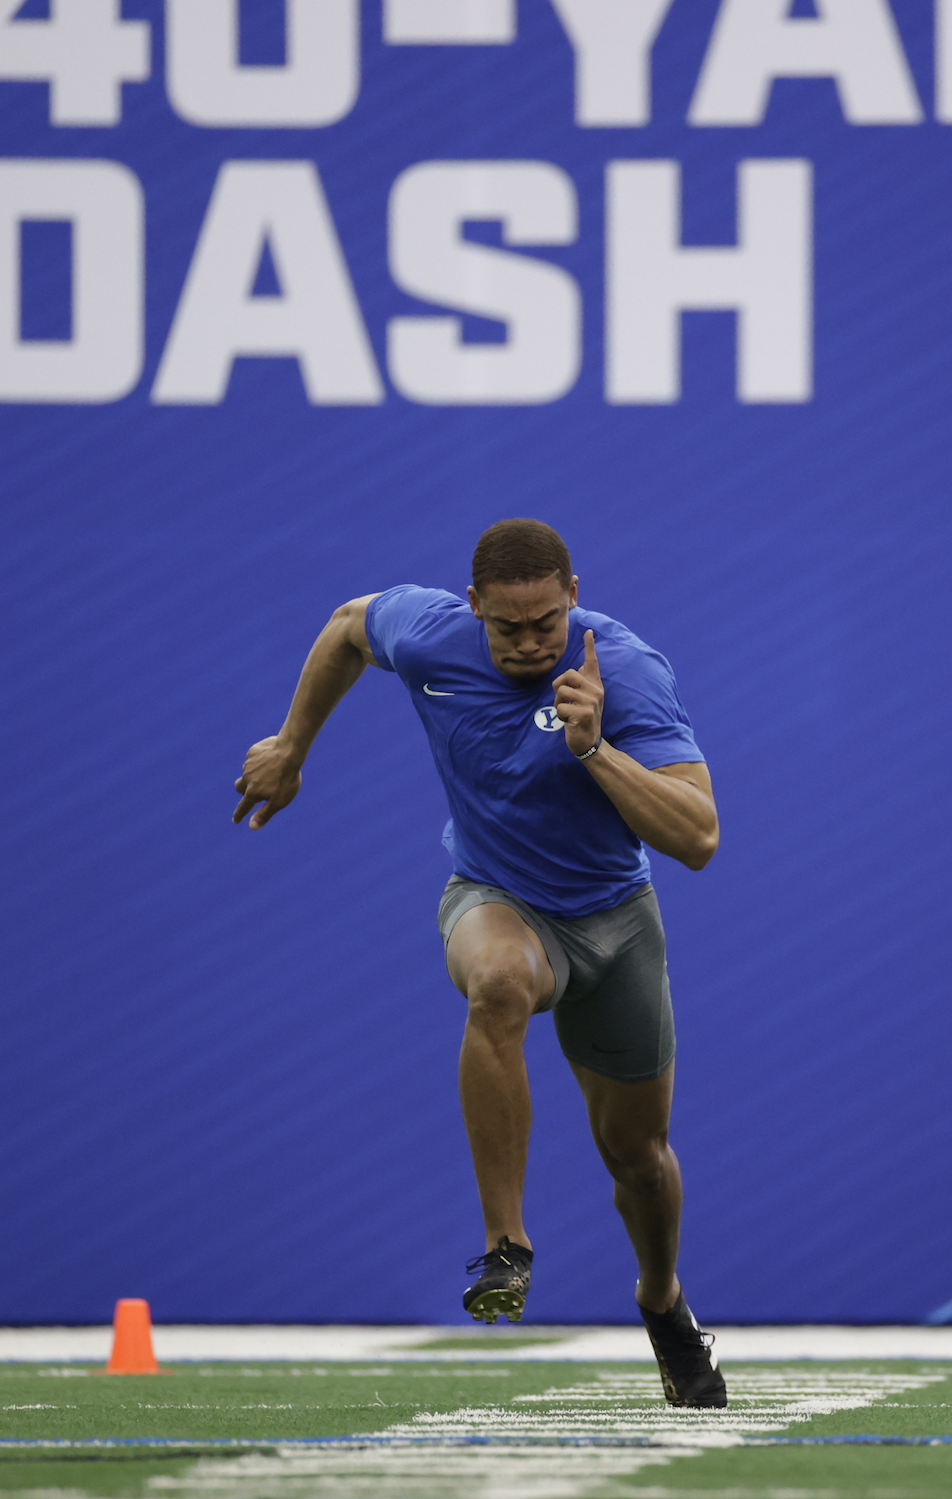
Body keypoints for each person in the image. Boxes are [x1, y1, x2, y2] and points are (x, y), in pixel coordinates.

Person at [229, 519, 727, 1409]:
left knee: (639, 1158)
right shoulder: (430, 635)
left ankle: (663, 1304)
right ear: (474, 610)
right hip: (496, 898)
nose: (531, 644)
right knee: (496, 985)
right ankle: (507, 1246)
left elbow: (698, 837)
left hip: (615, 923)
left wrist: (594, 747)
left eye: (545, 622)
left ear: (573, 593)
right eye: (509, 628)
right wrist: (293, 743)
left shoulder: (627, 669)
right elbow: (348, 622)